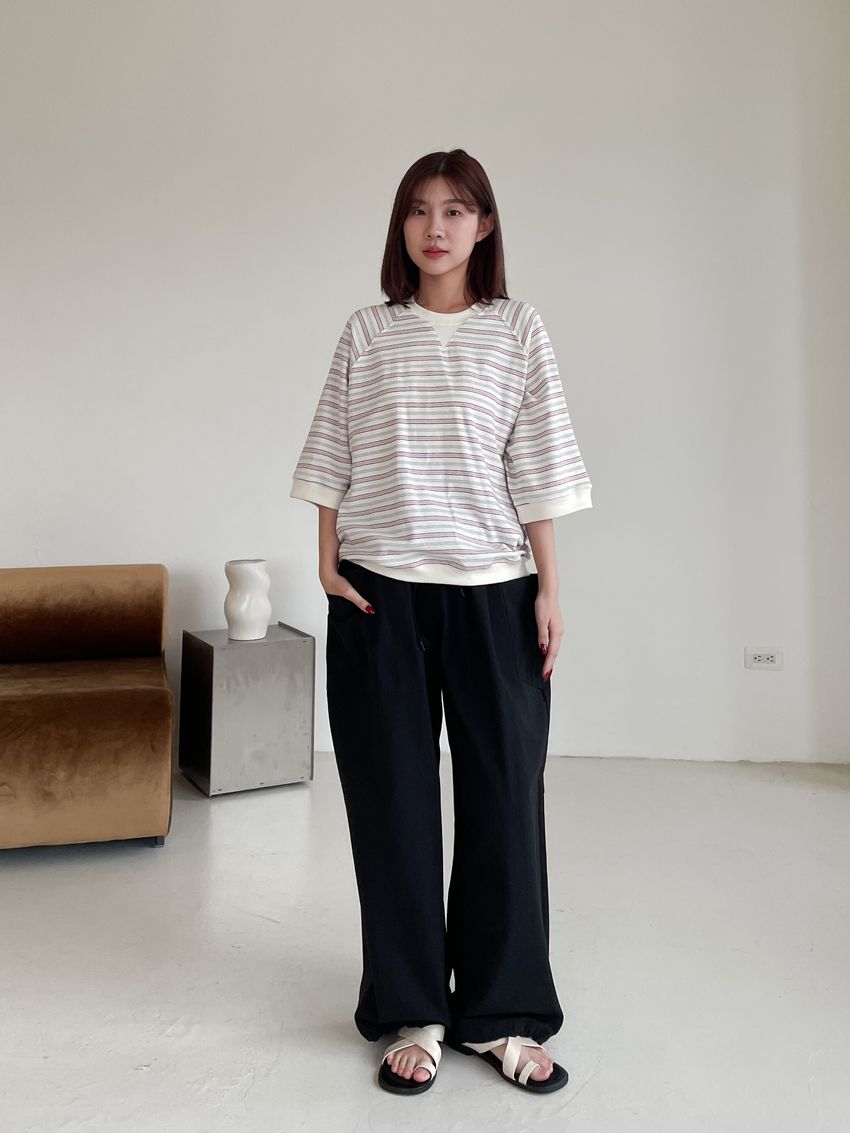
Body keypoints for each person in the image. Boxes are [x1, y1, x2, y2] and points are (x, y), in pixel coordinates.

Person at [290, 148, 592, 1096]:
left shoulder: (517, 329)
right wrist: (327, 560)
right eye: (419, 210)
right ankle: (411, 1010)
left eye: (456, 210)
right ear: (402, 225)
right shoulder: (368, 332)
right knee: (393, 807)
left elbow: (539, 462)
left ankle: (503, 1014)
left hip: (496, 590)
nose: (436, 227)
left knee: (506, 802)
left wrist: (549, 588)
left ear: (484, 224)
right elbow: (332, 447)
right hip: (379, 594)